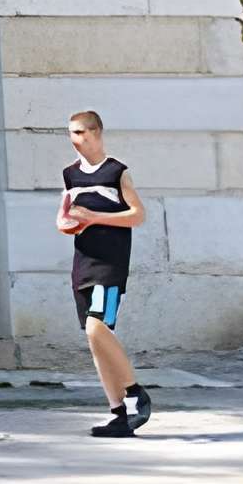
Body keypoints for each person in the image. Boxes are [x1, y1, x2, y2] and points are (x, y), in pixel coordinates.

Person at [60, 109, 153, 437]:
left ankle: (136, 393)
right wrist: (67, 222)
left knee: (97, 327)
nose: (75, 139)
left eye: (80, 132)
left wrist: (95, 218)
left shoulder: (117, 172)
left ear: (97, 133)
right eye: (71, 133)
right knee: (94, 338)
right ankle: (118, 414)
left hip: (110, 266)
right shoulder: (70, 175)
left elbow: (137, 215)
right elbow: (64, 216)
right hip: (82, 264)